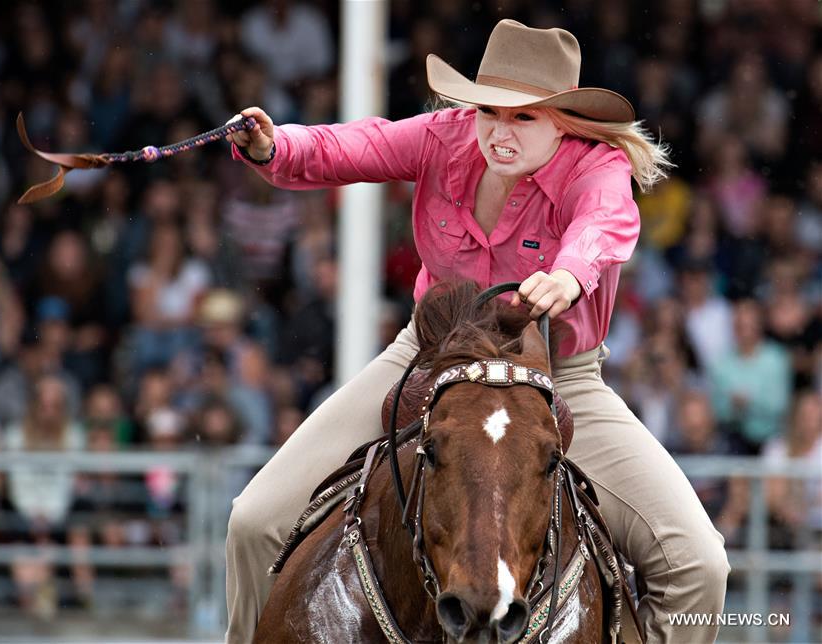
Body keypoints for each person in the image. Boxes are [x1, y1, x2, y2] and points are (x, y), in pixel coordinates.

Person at [223, 21, 729, 642]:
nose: (499, 131)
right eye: (489, 111)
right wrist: (277, 148)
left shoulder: (597, 166)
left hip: (558, 379)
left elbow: (607, 222)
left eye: (524, 118)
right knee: (252, 521)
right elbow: (359, 144)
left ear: (562, 122)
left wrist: (569, 277)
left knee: (699, 565)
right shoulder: (446, 137)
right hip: (431, 359)